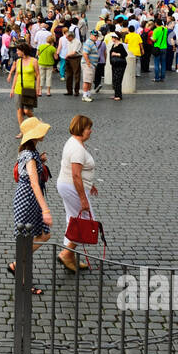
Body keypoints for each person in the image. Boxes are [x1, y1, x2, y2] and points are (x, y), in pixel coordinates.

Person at [8, 116, 53, 296]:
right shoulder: (29, 156)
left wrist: (40, 161)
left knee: (42, 235)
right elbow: (34, 183)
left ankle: (18, 265)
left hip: (29, 200)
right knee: (35, 237)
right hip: (28, 201)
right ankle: (22, 276)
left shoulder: (30, 152)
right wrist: (46, 210)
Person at [55, 114, 98, 272]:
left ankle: (70, 256)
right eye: (88, 128)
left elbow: (79, 173)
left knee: (73, 220)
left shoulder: (73, 142)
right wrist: (83, 198)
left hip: (68, 185)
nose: (90, 131)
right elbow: (75, 175)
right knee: (85, 221)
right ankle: (66, 254)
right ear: (81, 129)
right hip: (72, 187)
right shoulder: (77, 149)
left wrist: (90, 184)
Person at [8, 42, 39, 133]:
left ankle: (36, 122)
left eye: (18, 50)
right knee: (19, 110)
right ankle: (23, 131)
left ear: (23, 51)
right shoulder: (18, 61)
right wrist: (12, 88)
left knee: (27, 111)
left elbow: (38, 75)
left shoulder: (34, 61)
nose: (16, 52)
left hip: (29, 89)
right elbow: (16, 75)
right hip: (18, 88)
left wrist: (38, 89)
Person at [107, 32, 128, 101]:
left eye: (113, 37)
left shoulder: (120, 45)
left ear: (116, 38)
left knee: (118, 80)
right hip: (115, 65)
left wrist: (116, 54)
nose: (112, 38)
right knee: (115, 79)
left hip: (120, 65)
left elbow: (125, 54)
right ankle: (116, 94)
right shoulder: (114, 45)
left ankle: (119, 96)